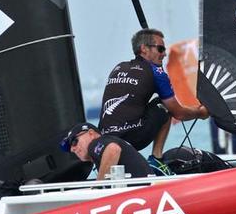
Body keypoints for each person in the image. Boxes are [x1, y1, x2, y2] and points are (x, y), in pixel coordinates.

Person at [97, 28, 209, 174]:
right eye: (160, 49)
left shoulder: (118, 67)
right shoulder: (157, 73)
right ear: (144, 49)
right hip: (131, 139)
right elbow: (178, 113)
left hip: (105, 141)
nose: (164, 53)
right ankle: (156, 158)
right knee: (162, 104)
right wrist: (201, 113)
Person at [61, 122, 151, 181]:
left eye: (74, 141)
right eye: (70, 148)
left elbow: (113, 150)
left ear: (91, 134)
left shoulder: (95, 143)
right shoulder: (108, 142)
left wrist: (98, 186)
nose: (72, 149)